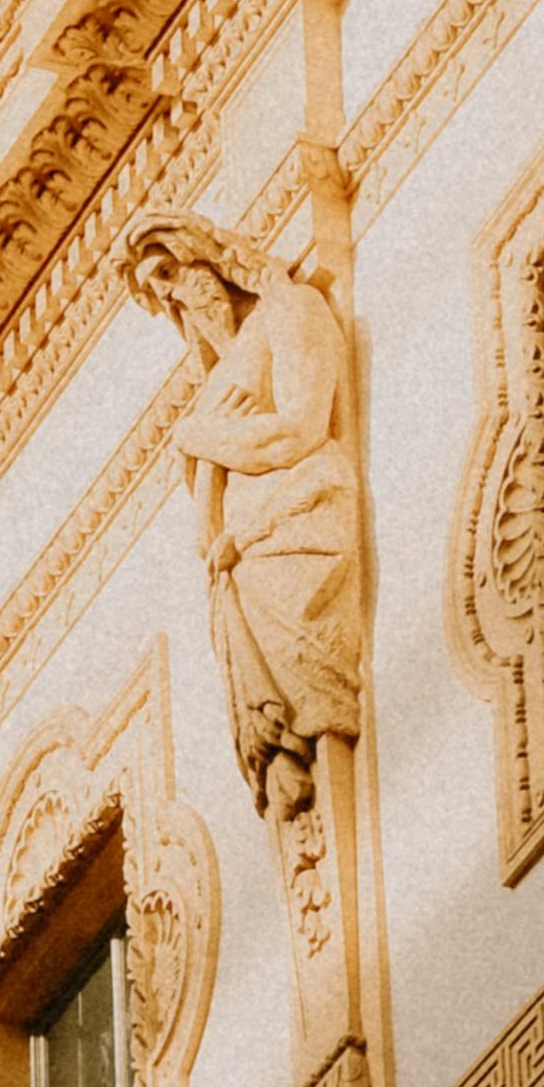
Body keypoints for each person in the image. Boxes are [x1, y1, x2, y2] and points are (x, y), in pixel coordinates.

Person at [129, 215, 367, 822]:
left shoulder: (287, 311)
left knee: (317, 706)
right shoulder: (211, 392)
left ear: (205, 257)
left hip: (297, 534)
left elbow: (299, 428)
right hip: (238, 572)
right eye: (154, 291)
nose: (170, 295)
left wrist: (202, 436)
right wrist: (205, 442)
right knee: (278, 737)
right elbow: (204, 530)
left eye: (168, 272)